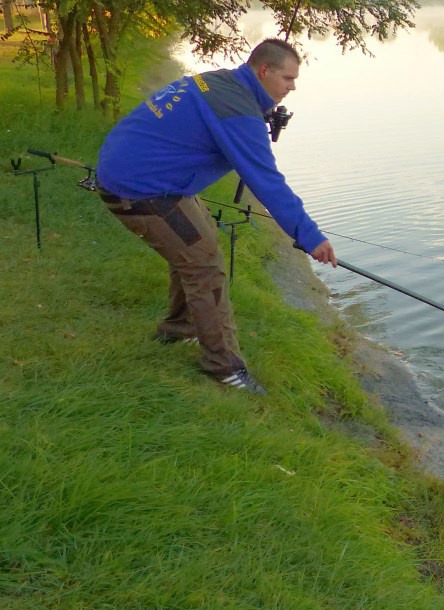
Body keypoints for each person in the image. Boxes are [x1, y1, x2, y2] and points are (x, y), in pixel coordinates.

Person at [96, 38, 336, 395]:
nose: (292, 87)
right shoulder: (237, 111)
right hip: (138, 190)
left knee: (196, 243)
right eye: (287, 79)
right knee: (204, 265)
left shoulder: (222, 82)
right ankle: (223, 367)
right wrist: (310, 235)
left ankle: (179, 329)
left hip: (152, 179)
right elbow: (267, 183)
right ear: (264, 70)